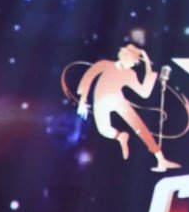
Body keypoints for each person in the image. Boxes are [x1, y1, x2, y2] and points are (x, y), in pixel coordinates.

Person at [76, 44, 181, 172]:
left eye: (135, 62)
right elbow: (89, 77)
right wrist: (82, 101)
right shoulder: (105, 64)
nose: (133, 64)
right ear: (124, 55)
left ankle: (161, 159)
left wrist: (147, 63)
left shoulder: (130, 73)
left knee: (139, 127)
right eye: (133, 60)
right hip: (100, 101)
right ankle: (120, 136)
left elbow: (144, 92)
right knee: (104, 130)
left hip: (118, 100)